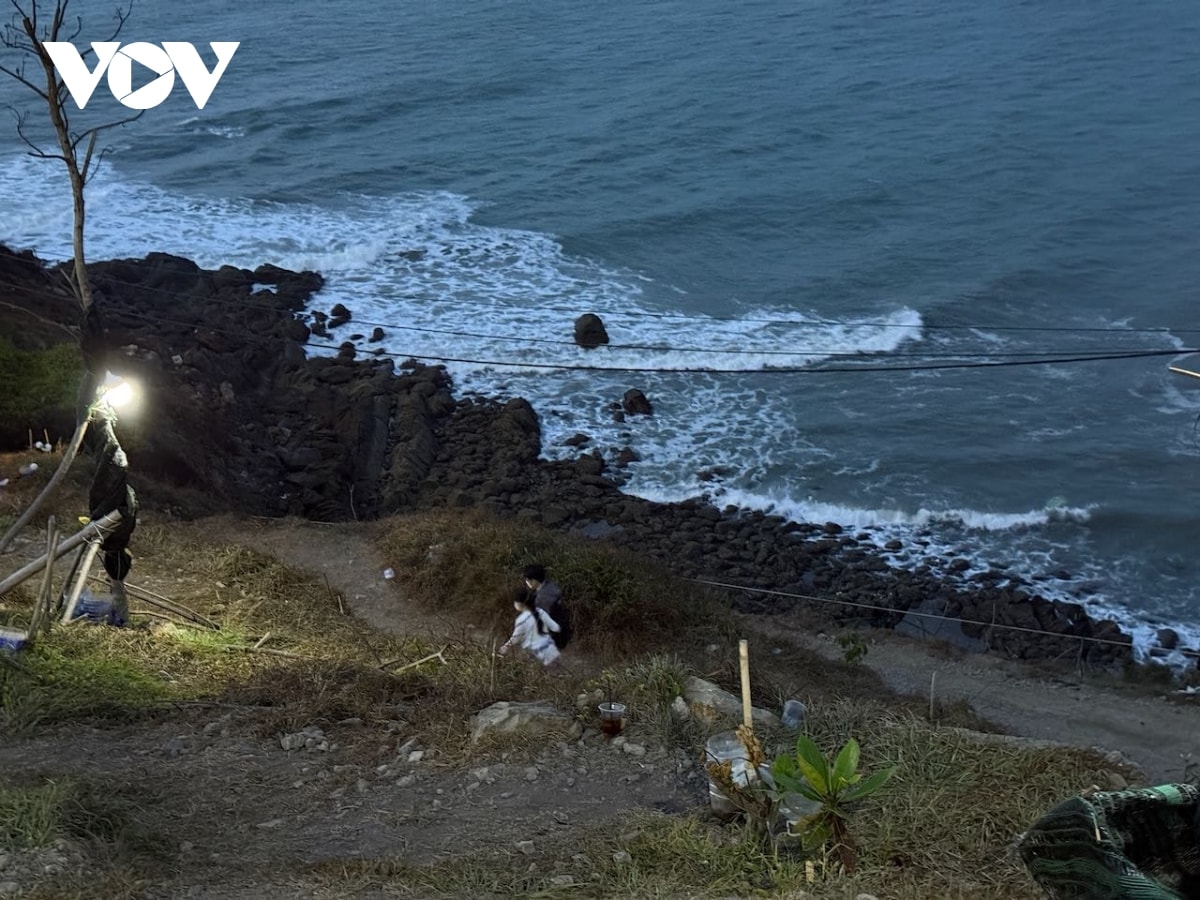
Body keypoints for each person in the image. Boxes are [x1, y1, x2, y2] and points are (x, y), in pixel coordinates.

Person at [498, 591, 560, 666]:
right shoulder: (541, 611)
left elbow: (515, 638)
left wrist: (505, 646)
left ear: (520, 603)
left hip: (537, 658)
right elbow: (556, 628)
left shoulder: (522, 619)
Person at [523, 564, 572, 650]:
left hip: (555, 635)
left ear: (534, 581)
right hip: (564, 627)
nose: (526, 582)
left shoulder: (542, 598)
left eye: (527, 579)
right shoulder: (551, 585)